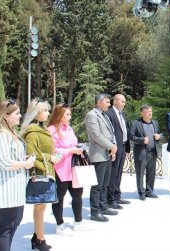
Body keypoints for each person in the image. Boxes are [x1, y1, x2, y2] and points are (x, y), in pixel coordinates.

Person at [0, 99, 35, 251]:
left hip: (14, 189)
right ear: (5, 116)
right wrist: (25, 164)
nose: (20, 116)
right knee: (6, 227)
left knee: (13, 224)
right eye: (17, 113)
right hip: (5, 190)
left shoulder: (11, 134)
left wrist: (23, 160)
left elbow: (10, 158)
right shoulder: (1, 136)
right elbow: (5, 163)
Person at [20, 98, 60, 251]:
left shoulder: (41, 129)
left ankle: (38, 237)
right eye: (45, 111)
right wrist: (49, 158)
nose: (48, 113)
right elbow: (31, 154)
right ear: (36, 113)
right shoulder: (32, 132)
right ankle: (40, 240)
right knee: (39, 207)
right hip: (40, 174)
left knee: (41, 207)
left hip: (46, 171)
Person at [47, 103, 92, 235]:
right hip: (60, 168)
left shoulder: (69, 129)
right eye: (67, 114)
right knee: (59, 197)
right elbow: (53, 151)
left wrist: (78, 149)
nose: (70, 117)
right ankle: (59, 224)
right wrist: (70, 150)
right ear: (59, 114)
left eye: (70, 114)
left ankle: (78, 221)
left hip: (73, 167)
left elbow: (73, 143)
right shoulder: (52, 130)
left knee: (77, 194)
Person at [84, 93, 118, 222]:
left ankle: (104, 207)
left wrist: (113, 147)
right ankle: (95, 211)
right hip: (98, 154)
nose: (109, 105)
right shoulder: (92, 115)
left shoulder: (105, 115)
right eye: (107, 102)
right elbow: (95, 135)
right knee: (97, 185)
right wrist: (110, 146)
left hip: (108, 153)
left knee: (105, 183)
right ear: (99, 102)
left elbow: (111, 132)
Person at [105, 94, 131, 209]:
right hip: (114, 148)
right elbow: (109, 133)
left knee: (119, 173)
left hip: (123, 146)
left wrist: (128, 149)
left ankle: (117, 196)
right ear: (114, 101)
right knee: (113, 173)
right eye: (122, 101)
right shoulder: (109, 114)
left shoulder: (122, 114)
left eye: (124, 102)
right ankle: (110, 199)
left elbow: (126, 131)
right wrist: (112, 148)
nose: (123, 104)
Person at [130, 105, 161, 200]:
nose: (150, 113)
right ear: (141, 113)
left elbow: (160, 135)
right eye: (147, 111)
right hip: (141, 152)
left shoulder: (155, 123)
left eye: (151, 111)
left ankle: (149, 191)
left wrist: (159, 137)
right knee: (140, 173)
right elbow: (131, 137)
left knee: (151, 173)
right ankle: (141, 192)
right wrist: (142, 140)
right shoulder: (136, 123)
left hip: (153, 152)